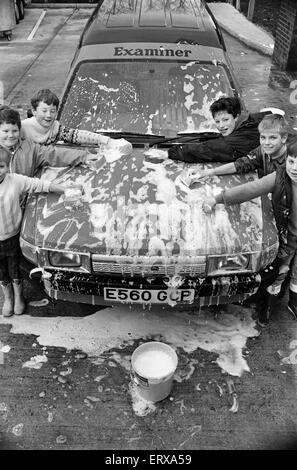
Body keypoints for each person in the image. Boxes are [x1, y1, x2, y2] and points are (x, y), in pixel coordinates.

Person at [201, 139, 297, 326]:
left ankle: (294, 302)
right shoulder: (279, 178)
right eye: (292, 162)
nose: (294, 168)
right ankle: (268, 306)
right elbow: (250, 189)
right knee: (281, 271)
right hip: (289, 239)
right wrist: (217, 199)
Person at [0, 147, 82, 317]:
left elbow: (39, 184)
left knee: (15, 269)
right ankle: (8, 298)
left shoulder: (14, 181)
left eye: (0, 166)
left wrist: (65, 189)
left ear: (8, 167)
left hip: (13, 236)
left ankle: (19, 297)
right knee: (1, 272)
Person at [21, 88, 132, 155]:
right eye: (44, 111)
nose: (49, 115)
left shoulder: (55, 128)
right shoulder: (22, 128)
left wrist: (106, 141)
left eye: (53, 111)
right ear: (34, 111)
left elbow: (77, 135)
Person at [0, 107, 104, 177]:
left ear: (19, 130)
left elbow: (53, 154)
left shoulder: (30, 149)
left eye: (14, 131)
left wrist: (84, 156)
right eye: (5, 131)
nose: (10, 135)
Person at [167, 96, 271, 163]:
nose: (221, 126)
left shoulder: (245, 135)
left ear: (236, 117)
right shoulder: (249, 120)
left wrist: (171, 153)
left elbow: (212, 149)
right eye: (217, 121)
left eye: (225, 120)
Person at [188, 114, 290, 182]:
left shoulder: (291, 160)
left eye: (272, 138)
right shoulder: (262, 151)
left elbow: (258, 188)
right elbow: (240, 165)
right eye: (263, 137)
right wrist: (210, 172)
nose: (266, 143)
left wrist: (219, 198)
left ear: (284, 138)